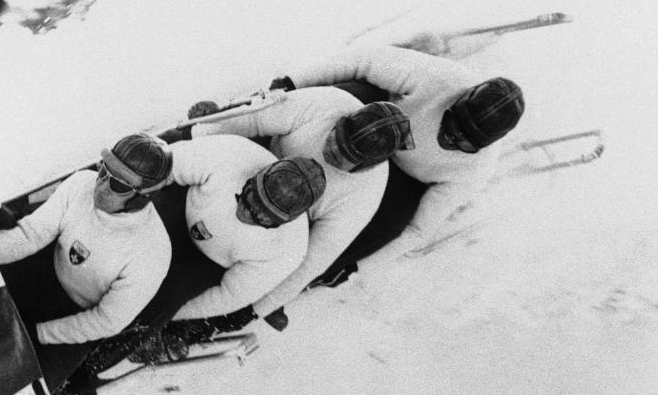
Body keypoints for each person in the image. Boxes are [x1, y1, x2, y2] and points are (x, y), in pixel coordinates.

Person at [267, 45, 524, 285]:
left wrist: (354, 266)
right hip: (380, 116)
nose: (451, 138)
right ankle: (270, 126)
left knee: (393, 223)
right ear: (456, 102)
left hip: (405, 178)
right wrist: (293, 84)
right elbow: (364, 61)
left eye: (465, 144)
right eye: (453, 125)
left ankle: (308, 271)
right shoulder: (440, 78)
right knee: (345, 96)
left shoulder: (476, 170)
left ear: (483, 147)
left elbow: (418, 230)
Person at [185, 87, 412, 327]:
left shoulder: (364, 194)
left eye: (345, 155)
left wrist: (256, 308)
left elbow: (312, 260)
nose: (332, 150)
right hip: (252, 160)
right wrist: (203, 132)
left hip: (271, 223)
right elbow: (256, 119)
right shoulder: (329, 103)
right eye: (337, 138)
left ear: (366, 167)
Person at [0, 132, 172, 348]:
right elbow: (31, 235)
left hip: (80, 315)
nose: (102, 187)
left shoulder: (153, 252)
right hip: (46, 271)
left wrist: (38, 334)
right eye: (104, 170)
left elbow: (106, 321)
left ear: (142, 198)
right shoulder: (81, 183)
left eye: (120, 185)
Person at [153, 134, 326, 341]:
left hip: (209, 263)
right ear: (255, 177)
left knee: (168, 298)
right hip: (183, 207)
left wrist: (166, 313)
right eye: (252, 198)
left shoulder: (289, 248)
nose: (248, 214)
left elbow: (227, 296)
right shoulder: (235, 153)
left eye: (264, 217)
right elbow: (165, 165)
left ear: (287, 221)